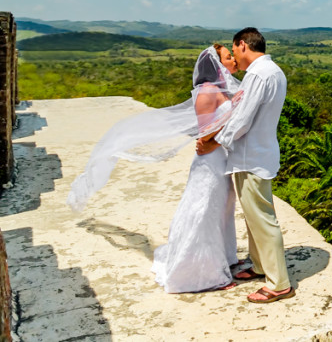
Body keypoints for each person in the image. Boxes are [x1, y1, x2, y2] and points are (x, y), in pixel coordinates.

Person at [67, 45, 244, 293]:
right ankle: (198, 272)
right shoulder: (206, 92)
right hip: (210, 160)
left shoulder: (222, 90)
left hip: (220, 158)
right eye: (228, 57)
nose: (233, 60)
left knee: (220, 210)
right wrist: (229, 120)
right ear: (217, 65)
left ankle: (220, 259)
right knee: (203, 212)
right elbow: (205, 133)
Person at [198, 27, 293, 303]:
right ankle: (261, 265)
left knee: (262, 219)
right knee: (255, 217)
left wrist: (213, 142)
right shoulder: (271, 71)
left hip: (251, 156)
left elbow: (241, 120)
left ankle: (279, 284)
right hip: (256, 153)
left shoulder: (258, 75)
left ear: (242, 45)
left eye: (233, 51)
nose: (234, 60)